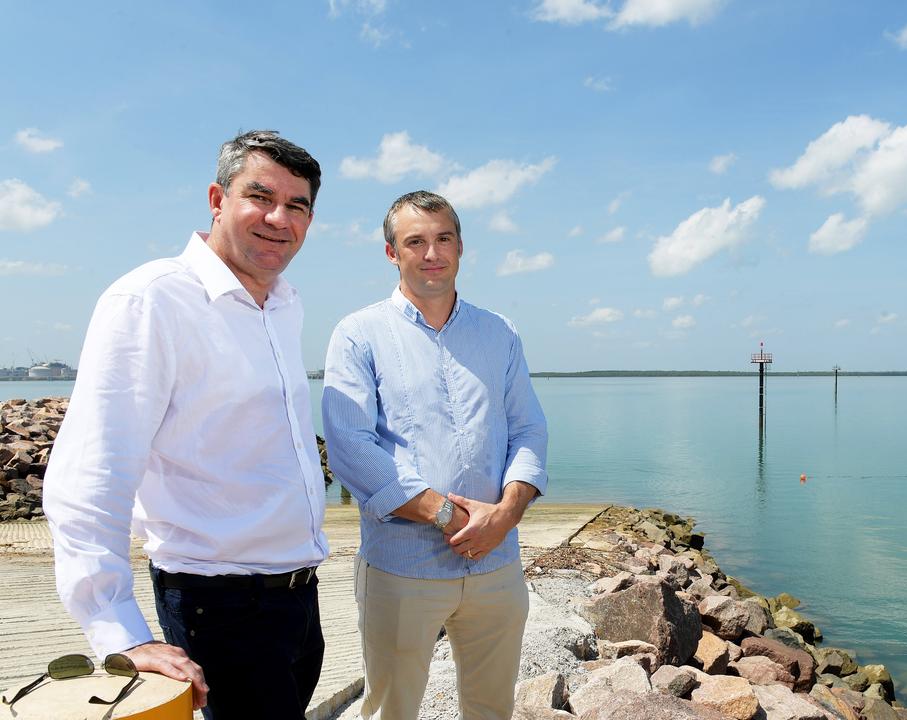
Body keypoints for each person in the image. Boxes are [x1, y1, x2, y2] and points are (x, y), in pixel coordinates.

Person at [43, 130, 329, 719]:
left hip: (298, 601)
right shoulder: (152, 300)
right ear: (217, 199)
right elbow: (92, 475)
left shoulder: (283, 304)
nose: (280, 218)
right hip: (218, 605)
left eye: (297, 205)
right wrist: (120, 633)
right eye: (261, 196)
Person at [322, 190, 548, 720]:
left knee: (492, 710)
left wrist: (508, 514)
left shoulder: (499, 332)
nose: (431, 253)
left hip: (497, 566)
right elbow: (351, 446)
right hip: (404, 568)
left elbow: (529, 427)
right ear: (391, 253)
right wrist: (449, 516)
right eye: (415, 242)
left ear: (461, 247)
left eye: (443, 238)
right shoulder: (359, 334)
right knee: (391, 710)